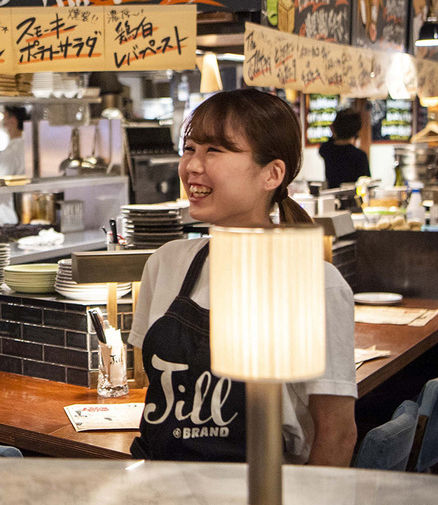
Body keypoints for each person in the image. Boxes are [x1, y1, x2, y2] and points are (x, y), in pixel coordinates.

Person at [128, 89, 357, 466]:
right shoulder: (166, 263)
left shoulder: (316, 284)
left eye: (214, 151)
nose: (192, 167)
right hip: (164, 494)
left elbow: (337, 434)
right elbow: (161, 397)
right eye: (190, 149)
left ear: (272, 173)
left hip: (259, 501)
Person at [0, 105, 28, 224]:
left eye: (5, 118)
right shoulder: (27, 144)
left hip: (9, 219)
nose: (3, 123)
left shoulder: (10, 151)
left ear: (13, 121)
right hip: (23, 214)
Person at [318, 109, 370, 188]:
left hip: (331, 196)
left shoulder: (326, 150)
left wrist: (334, 132)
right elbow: (366, 182)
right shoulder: (360, 156)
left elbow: (327, 143)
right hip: (354, 197)